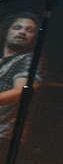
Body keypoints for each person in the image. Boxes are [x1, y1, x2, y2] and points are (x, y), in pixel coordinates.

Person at [0, 13, 41, 145]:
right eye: (17, 27)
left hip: (4, 135)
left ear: (34, 38)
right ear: (6, 31)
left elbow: (21, 92)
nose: (22, 32)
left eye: (29, 30)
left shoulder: (31, 59)